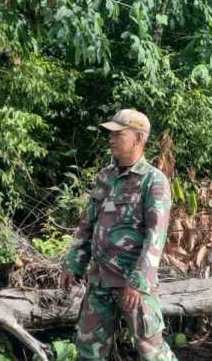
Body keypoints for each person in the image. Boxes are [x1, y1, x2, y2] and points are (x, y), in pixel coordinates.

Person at [60, 109, 177, 361]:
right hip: (99, 280)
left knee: (152, 352)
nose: (111, 139)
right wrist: (73, 264)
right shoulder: (104, 177)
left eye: (118, 134)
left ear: (138, 138)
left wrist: (139, 282)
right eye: (110, 134)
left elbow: (155, 237)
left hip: (132, 282)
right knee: (87, 352)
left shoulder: (152, 181)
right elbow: (87, 225)